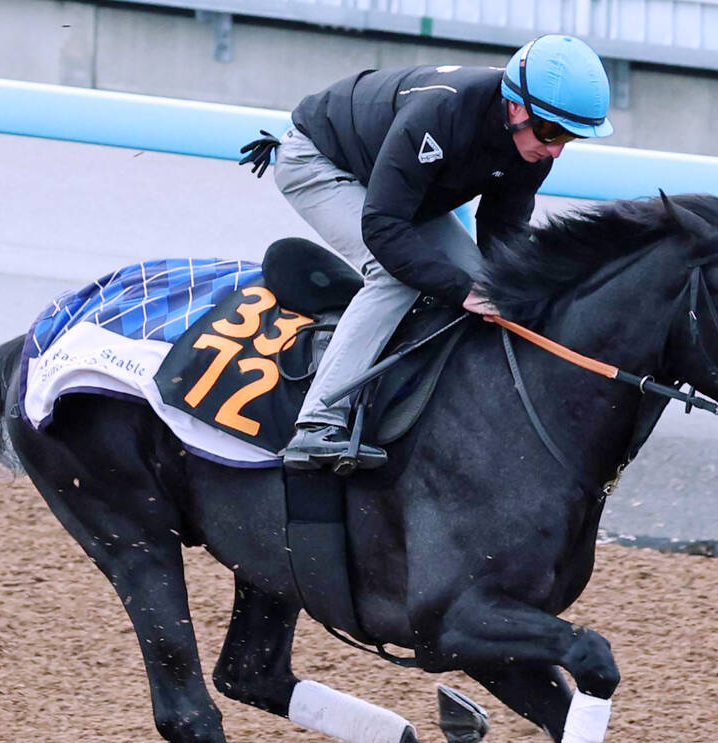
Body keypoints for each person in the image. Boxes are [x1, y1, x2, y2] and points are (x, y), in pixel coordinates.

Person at [247, 34, 613, 472]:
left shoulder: (532, 149)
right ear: (515, 106)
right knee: (395, 276)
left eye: (568, 137)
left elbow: (502, 232)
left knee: (495, 293)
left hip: (402, 191)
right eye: (551, 131)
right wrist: (460, 289)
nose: (554, 148)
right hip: (320, 162)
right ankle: (318, 423)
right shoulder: (441, 113)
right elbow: (382, 229)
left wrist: (520, 292)